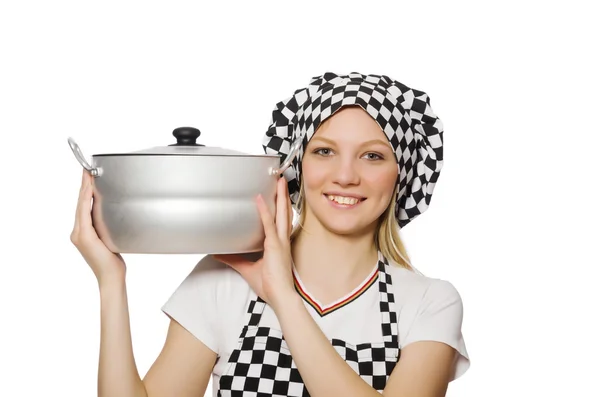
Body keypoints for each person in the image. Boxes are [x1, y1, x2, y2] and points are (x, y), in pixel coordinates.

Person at [71, 71, 470, 397]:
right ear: (295, 166)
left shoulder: (428, 304)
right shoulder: (222, 281)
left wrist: (281, 296)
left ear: (401, 176)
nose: (346, 176)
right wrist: (111, 281)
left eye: (373, 156)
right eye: (324, 151)